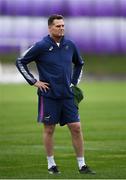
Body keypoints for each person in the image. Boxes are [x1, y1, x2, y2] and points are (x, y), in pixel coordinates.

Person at [16, 14, 95, 174]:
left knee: (76, 127)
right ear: (50, 27)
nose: (61, 28)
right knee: (49, 129)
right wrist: (34, 81)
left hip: (67, 95)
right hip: (48, 95)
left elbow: (79, 63)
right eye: (58, 26)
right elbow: (20, 61)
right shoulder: (41, 45)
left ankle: (82, 165)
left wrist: (73, 83)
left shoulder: (70, 45)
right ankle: (51, 165)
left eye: (63, 25)